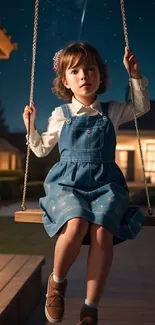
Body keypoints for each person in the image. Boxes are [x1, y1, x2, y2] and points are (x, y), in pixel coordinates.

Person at [23, 42, 150, 325]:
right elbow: (42, 149)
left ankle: (90, 307)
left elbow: (141, 107)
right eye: (75, 71)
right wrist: (31, 127)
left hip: (105, 184)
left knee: (103, 231)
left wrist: (134, 76)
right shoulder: (60, 115)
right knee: (77, 222)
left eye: (90, 69)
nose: (84, 76)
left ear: (100, 76)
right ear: (65, 81)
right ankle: (57, 284)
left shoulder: (112, 111)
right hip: (67, 184)